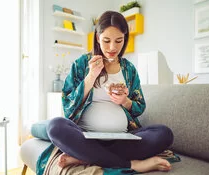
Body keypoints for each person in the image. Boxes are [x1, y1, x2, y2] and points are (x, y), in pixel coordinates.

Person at [47, 10, 174, 173]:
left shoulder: (129, 69)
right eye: (106, 41)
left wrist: (125, 101)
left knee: (164, 134)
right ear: (97, 38)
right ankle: (131, 164)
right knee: (55, 127)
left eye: (119, 41)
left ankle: (86, 156)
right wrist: (91, 76)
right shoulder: (81, 64)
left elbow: (140, 107)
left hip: (122, 139)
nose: (113, 47)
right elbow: (68, 108)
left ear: (125, 39)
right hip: (86, 137)